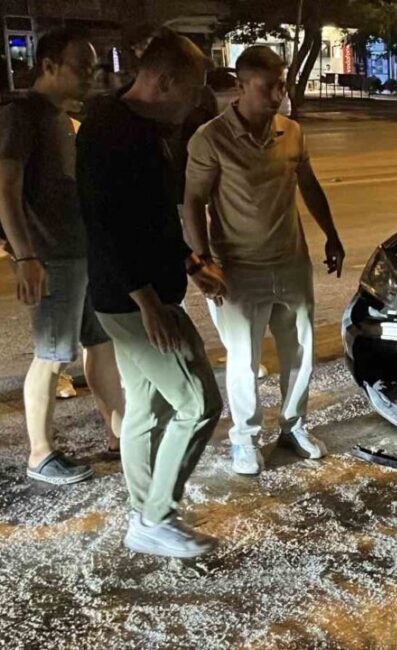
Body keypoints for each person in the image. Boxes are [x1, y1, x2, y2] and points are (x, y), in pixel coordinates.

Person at [77, 29, 228, 558]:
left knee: (147, 409)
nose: (193, 106)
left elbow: (154, 219)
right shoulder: (109, 133)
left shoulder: (136, 128)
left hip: (135, 295)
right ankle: (156, 516)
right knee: (199, 404)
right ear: (164, 82)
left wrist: (190, 263)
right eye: (191, 93)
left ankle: (147, 512)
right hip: (133, 301)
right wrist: (148, 303)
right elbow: (105, 225)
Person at [183, 45, 345, 476]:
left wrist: (331, 235)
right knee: (244, 360)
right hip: (237, 271)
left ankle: (294, 427)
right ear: (239, 86)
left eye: (282, 84)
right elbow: (193, 202)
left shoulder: (291, 131)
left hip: (291, 263)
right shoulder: (210, 138)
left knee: (300, 354)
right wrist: (201, 263)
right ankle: (245, 438)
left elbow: (308, 185)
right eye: (267, 87)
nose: (278, 95)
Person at [0, 27, 125, 485]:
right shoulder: (22, 116)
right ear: (49, 65)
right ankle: (40, 453)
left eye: (94, 67)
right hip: (52, 255)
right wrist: (25, 257)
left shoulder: (61, 116)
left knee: (101, 342)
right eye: (81, 66)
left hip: (82, 252)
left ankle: (121, 434)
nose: (90, 76)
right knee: (52, 356)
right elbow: (6, 190)